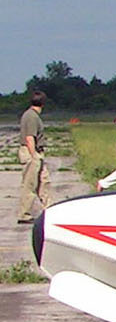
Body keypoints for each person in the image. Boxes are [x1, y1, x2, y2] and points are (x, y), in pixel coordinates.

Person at [17, 91, 49, 224]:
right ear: (43, 103)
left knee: (44, 181)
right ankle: (24, 214)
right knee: (30, 184)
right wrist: (34, 156)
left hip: (36, 152)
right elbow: (30, 137)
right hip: (31, 152)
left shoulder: (32, 115)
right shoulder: (31, 117)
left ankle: (49, 210)